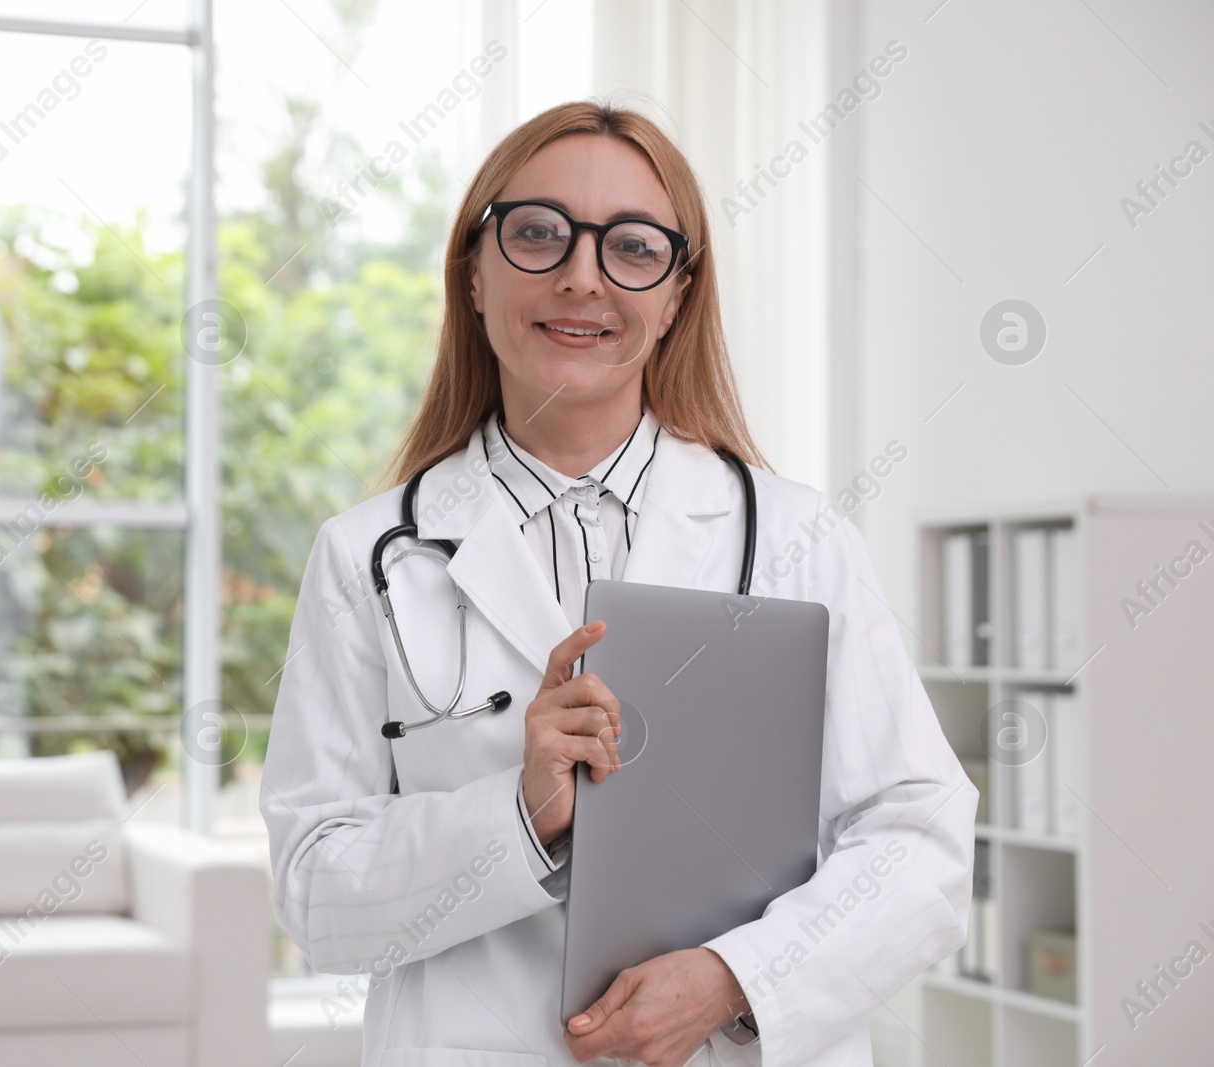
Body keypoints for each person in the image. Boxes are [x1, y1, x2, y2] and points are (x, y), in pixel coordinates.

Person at [260, 100, 975, 1067]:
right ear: (474, 272)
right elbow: (316, 898)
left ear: (677, 293)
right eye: (539, 233)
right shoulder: (368, 558)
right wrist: (521, 809)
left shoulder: (800, 538)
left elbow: (920, 842)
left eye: (632, 247)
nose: (581, 275)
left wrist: (736, 978)